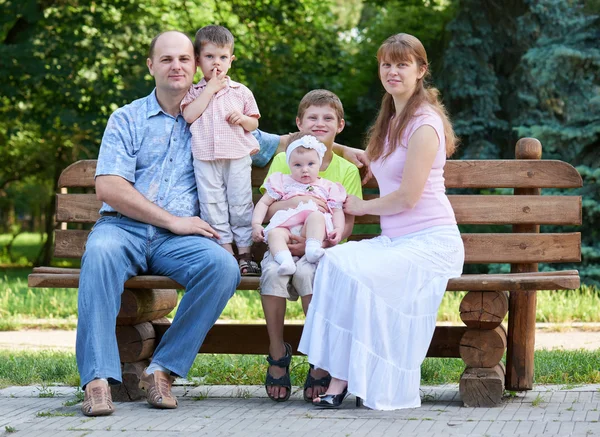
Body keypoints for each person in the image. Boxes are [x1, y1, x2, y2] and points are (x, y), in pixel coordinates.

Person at [76, 30, 283, 417]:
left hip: (177, 241)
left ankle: (162, 370)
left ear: (197, 66)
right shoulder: (127, 118)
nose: (177, 66)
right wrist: (174, 220)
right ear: (151, 66)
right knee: (100, 253)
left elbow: (280, 142)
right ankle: (97, 381)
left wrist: (344, 147)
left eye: (185, 59)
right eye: (167, 59)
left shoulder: (218, 114)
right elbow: (109, 187)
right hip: (124, 229)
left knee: (222, 268)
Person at [298, 33, 465, 410]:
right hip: (397, 242)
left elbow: (408, 197)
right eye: (386, 64)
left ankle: (343, 380)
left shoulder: (424, 124)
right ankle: (341, 373)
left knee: (358, 273)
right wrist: (349, 151)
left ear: (420, 70)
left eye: (402, 64)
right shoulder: (391, 117)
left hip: (431, 243)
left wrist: (360, 206)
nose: (392, 71)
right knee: (337, 262)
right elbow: (383, 162)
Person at [258, 90, 363, 403]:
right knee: (273, 275)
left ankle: (319, 360)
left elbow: (346, 226)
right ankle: (277, 353)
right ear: (298, 123)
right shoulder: (282, 159)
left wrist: (311, 243)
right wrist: (304, 201)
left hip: (319, 249)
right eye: (312, 118)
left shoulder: (346, 170)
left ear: (340, 125)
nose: (320, 123)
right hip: (281, 243)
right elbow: (269, 206)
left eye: (327, 118)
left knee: (311, 277)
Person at [181, 25, 261, 276]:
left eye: (223, 57)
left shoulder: (241, 92)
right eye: (210, 57)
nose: (217, 62)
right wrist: (209, 89)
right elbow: (190, 116)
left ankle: (245, 253)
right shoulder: (193, 92)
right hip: (205, 157)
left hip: (236, 156)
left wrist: (243, 120)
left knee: (239, 204)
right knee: (211, 204)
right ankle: (226, 251)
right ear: (198, 60)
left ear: (231, 60)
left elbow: (254, 122)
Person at [252, 133, 347, 275]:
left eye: (311, 164)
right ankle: (285, 261)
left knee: (316, 216)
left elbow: (337, 210)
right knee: (274, 233)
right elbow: (264, 203)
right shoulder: (282, 182)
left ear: (319, 163)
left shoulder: (327, 186)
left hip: (312, 231)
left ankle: (312, 249)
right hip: (287, 229)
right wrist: (256, 224)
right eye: (297, 165)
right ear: (289, 164)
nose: (304, 169)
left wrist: (338, 229)